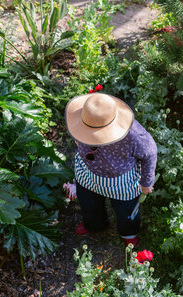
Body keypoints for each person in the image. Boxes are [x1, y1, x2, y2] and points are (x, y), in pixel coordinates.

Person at [64, 92, 157, 247]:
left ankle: (128, 233)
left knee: (127, 212)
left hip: (121, 179)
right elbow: (76, 134)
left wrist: (146, 182)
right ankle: (95, 225)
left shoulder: (133, 135)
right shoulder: (83, 117)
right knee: (88, 204)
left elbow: (150, 153)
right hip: (87, 172)